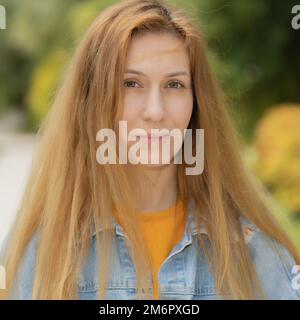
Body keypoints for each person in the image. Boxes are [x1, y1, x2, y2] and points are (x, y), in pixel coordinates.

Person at [1, 0, 300, 300]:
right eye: (131, 83)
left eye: (174, 85)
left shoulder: (249, 245)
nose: (155, 112)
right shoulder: (43, 249)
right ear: (92, 101)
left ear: (196, 102)